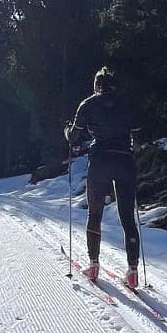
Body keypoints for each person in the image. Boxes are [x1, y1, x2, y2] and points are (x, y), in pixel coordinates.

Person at [65, 66, 141, 288]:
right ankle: (133, 270)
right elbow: (137, 139)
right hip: (125, 160)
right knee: (127, 216)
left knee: (95, 212)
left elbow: (74, 138)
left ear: (96, 85)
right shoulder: (126, 103)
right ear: (113, 85)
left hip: (100, 161)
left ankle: (93, 265)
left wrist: (67, 131)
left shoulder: (88, 104)